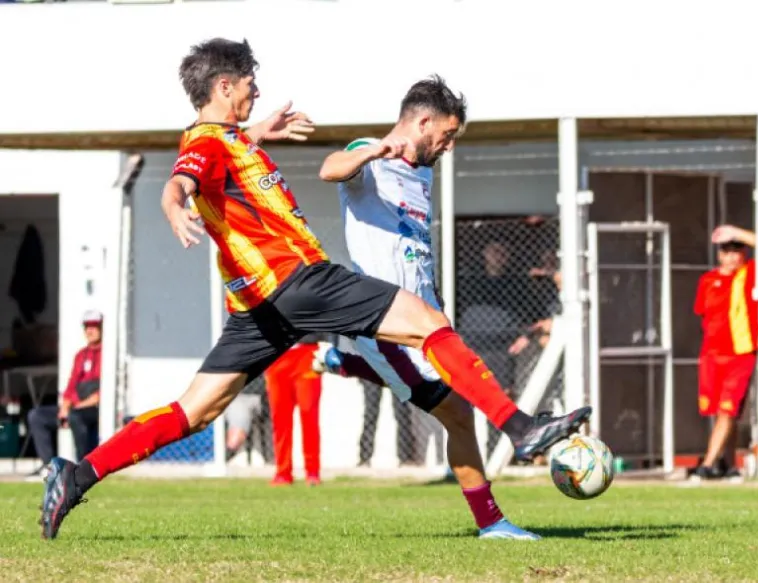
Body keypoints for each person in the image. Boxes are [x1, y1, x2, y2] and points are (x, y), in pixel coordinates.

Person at [39, 38, 591, 540]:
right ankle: (520, 428)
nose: (257, 91)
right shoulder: (206, 142)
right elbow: (183, 177)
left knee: (194, 411)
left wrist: (261, 131)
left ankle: (77, 475)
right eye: (250, 83)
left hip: (257, 307)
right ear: (224, 86)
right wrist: (172, 203)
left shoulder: (227, 140)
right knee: (428, 323)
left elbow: (220, 152)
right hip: (296, 279)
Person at [312, 75, 579, 539]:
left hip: (422, 316)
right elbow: (330, 169)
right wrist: (372, 152)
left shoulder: (422, 171)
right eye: (447, 134)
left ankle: (345, 364)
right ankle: (518, 437)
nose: (449, 145)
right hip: (385, 322)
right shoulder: (370, 154)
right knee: (456, 405)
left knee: (457, 410)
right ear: (422, 122)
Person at [690, 224, 758, 481]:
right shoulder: (708, 280)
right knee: (721, 412)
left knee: (728, 410)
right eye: (726, 251)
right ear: (719, 254)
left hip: (740, 354)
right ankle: (729, 465)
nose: (731, 257)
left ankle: (706, 465)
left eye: (736, 251)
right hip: (711, 355)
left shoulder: (749, 274)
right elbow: (702, 314)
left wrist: (736, 233)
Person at [26, 310, 103, 479]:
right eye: (87, 327)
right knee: (36, 416)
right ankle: (50, 468)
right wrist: (65, 407)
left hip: (94, 408)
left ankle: (83, 468)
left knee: (76, 417)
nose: (90, 331)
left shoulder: (107, 355)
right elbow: (71, 385)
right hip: (76, 406)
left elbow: (102, 392)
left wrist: (77, 408)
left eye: (94, 327)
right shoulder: (81, 355)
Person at [266, 333, 323, 486]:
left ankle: (312, 471)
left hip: (307, 352)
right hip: (276, 353)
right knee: (280, 417)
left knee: (308, 412)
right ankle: (283, 472)